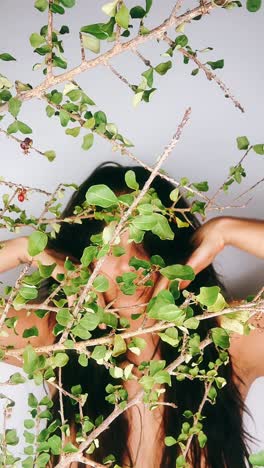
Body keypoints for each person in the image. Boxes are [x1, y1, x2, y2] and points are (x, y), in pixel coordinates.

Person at [0, 162, 263, 468]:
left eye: (146, 240)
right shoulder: (55, 336)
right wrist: (25, 249)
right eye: (110, 245)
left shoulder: (228, 337)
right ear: (81, 255)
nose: (130, 265)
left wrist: (225, 231)